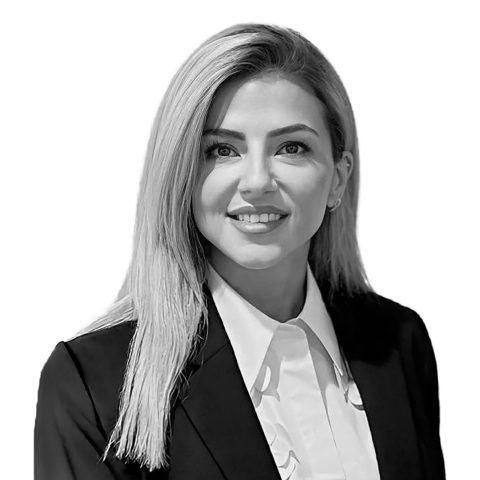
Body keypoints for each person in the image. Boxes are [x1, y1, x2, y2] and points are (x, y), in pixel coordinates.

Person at [34, 23, 445, 480]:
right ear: (181, 173)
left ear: (338, 178)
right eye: (222, 150)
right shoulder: (92, 385)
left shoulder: (398, 343)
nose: (256, 182)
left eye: (291, 147)